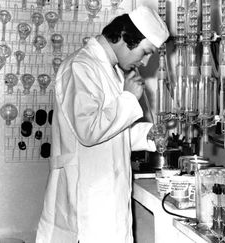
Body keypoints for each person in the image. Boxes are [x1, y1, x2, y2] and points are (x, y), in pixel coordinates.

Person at [36, 6, 169, 243]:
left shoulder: (111, 70)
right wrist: (128, 98)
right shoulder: (80, 67)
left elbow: (113, 133)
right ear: (126, 38)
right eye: (146, 52)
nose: (146, 61)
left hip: (107, 202)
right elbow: (88, 131)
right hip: (86, 204)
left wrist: (148, 135)